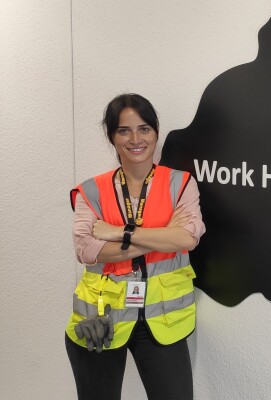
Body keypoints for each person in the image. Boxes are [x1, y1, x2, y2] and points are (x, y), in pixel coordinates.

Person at [65, 93, 205, 400]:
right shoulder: (92, 190)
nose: (135, 139)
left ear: (156, 132)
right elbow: (86, 250)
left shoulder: (180, 183)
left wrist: (119, 232)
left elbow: (187, 239)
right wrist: (162, 237)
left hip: (163, 320)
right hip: (100, 319)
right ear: (111, 137)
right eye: (124, 130)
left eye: (144, 129)